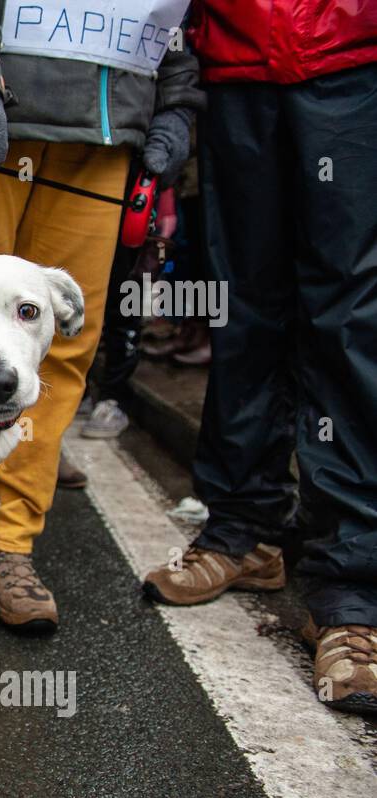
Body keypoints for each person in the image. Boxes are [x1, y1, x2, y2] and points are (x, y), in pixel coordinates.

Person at [0, 0, 203, 635]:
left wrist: (177, 103)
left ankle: (8, 541)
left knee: (61, 350)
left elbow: (178, 18)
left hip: (106, 131)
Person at [143, 1, 377, 714]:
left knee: (346, 313)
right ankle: (243, 528)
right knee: (241, 306)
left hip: (351, 60)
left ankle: (351, 591)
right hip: (238, 63)